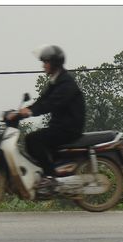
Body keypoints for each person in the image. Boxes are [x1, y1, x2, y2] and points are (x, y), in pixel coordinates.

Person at [9, 45, 86, 181]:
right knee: (36, 140)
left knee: (32, 139)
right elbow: (42, 100)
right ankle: (55, 168)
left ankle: (50, 176)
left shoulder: (66, 83)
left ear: (55, 63)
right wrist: (22, 112)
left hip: (69, 129)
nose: (43, 66)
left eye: (46, 62)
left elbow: (51, 103)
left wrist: (30, 111)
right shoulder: (56, 80)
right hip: (60, 127)